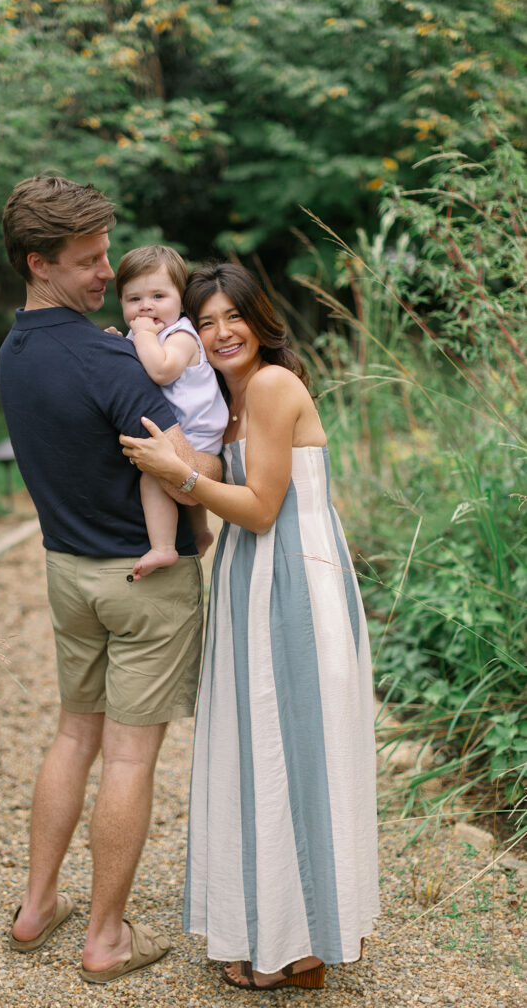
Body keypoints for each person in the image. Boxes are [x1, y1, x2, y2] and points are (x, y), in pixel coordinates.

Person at [120, 263, 380, 991]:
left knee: (292, 757)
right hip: (252, 585)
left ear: (260, 319)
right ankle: (287, 942)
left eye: (233, 315)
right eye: (203, 321)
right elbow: (209, 479)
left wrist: (175, 474)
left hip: (292, 588)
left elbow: (262, 508)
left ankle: (296, 949)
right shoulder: (228, 402)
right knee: (267, 756)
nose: (219, 331)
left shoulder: (268, 387)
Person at [0, 175, 221, 984]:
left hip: (66, 572)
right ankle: (104, 939)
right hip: (142, 580)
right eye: (87, 262)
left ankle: (36, 905)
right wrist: (222, 460)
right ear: (37, 262)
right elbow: (178, 462)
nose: (106, 278)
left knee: (72, 733)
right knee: (127, 760)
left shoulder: (13, 353)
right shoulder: (108, 360)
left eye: (104, 256)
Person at [116, 244, 229, 580]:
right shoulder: (149, 333)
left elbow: (161, 371)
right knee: (171, 472)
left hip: (199, 437)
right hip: (190, 432)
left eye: (158, 296)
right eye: (133, 299)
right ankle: (201, 531)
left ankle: (163, 546)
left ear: (181, 298)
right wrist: (123, 342)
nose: (146, 305)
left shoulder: (180, 336)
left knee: (153, 473)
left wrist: (142, 335)